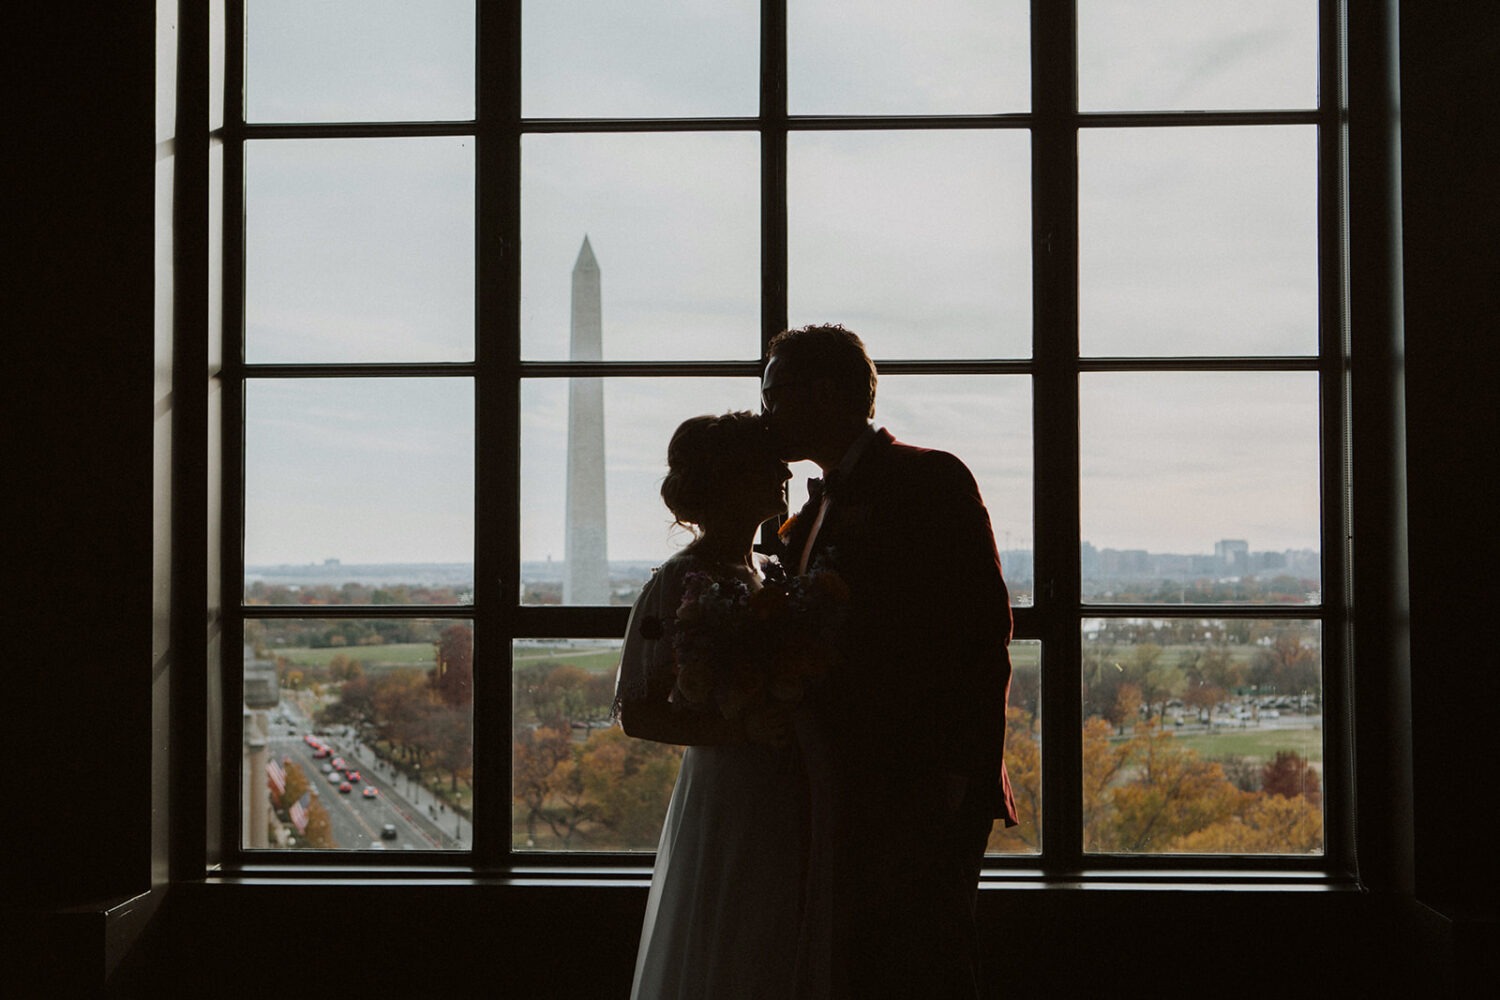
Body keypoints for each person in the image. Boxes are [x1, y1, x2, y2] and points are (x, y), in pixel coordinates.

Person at [761, 323, 1018, 999]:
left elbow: (981, 635)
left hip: (922, 783)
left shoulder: (928, 479)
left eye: (773, 392)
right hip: (848, 784)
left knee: (927, 964)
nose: (765, 411)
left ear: (822, 392)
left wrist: (958, 775)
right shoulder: (809, 515)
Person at [615, 411, 803, 1000]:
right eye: (764, 463)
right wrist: (743, 730)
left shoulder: (770, 573)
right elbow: (639, 713)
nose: (783, 469)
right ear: (727, 481)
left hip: (791, 784)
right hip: (731, 790)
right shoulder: (677, 582)